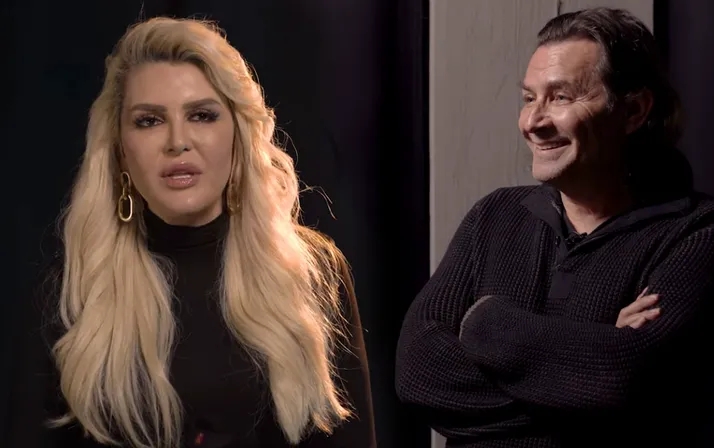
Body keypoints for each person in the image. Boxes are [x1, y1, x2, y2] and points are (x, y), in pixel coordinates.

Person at [6, 17, 376, 448]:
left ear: (239, 135)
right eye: (149, 121)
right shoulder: (70, 291)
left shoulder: (312, 274)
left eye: (202, 115)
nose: (177, 141)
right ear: (120, 150)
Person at [396, 7, 714, 447]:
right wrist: (593, 354)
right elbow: (418, 374)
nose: (534, 122)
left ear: (633, 111)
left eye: (560, 97)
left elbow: (628, 380)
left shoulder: (697, 235)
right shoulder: (494, 217)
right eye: (530, 98)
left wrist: (486, 323)